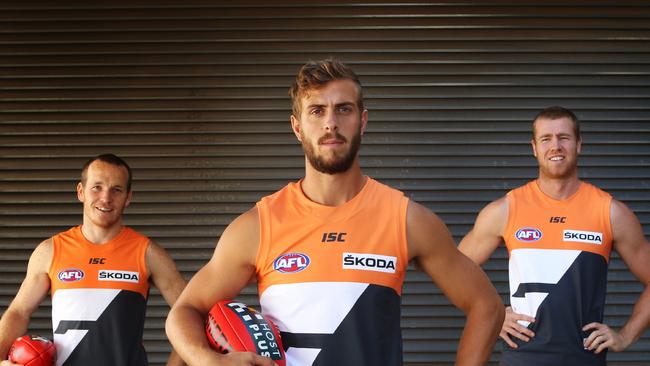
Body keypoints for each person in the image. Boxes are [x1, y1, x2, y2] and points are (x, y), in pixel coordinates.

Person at [166, 58, 504, 366]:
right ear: (297, 127)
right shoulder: (258, 226)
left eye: (343, 109)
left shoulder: (405, 219)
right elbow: (185, 311)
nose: (331, 123)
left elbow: (486, 306)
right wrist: (209, 362)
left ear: (362, 120)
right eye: (316, 111)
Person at [458, 106, 650, 365]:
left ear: (578, 144)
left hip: (584, 358)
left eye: (564, 137)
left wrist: (625, 336)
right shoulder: (505, 210)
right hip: (521, 358)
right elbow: (452, 271)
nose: (555, 146)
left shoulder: (610, 212)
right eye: (546, 139)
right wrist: (493, 314)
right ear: (534, 148)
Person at [0, 154, 187, 366]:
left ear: (128, 197)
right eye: (97, 187)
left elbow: (190, 315)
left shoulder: (149, 253)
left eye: (116, 190)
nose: (106, 198)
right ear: (81, 191)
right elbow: (18, 312)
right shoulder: (50, 251)